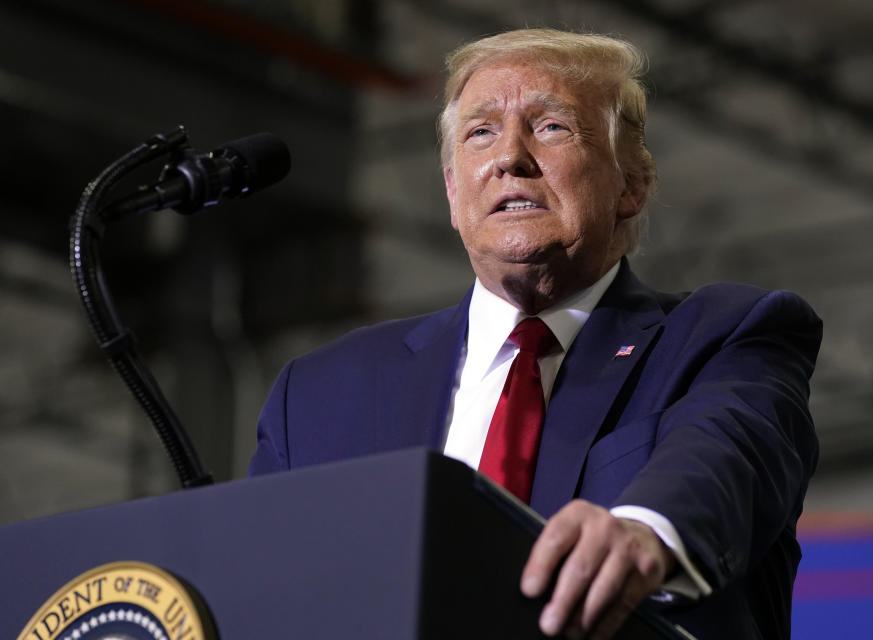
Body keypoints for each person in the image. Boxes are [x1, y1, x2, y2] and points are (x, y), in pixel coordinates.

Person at [250, 29, 821, 640]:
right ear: (451, 190)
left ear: (631, 184)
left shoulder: (723, 337)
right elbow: (257, 593)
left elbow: (727, 448)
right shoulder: (317, 394)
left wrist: (642, 528)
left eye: (552, 127)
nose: (510, 157)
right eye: (480, 132)